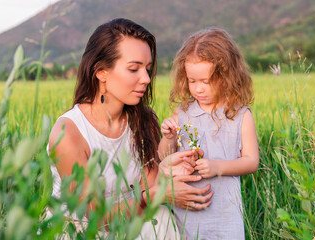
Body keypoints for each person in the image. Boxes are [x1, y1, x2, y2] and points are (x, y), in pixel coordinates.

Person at [47, 18, 213, 238]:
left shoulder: (144, 119)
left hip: (129, 222)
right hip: (79, 229)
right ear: (101, 72)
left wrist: (167, 170)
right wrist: (158, 194)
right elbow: (97, 217)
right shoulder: (69, 132)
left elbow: (149, 186)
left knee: (161, 216)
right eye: (134, 69)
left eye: (148, 69)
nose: (145, 79)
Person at [158, 28, 259, 239]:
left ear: (228, 76)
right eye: (192, 81)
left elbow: (251, 162)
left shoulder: (240, 115)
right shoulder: (183, 112)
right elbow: (163, 157)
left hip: (225, 212)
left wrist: (217, 167)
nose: (198, 89)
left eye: (206, 81)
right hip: (188, 209)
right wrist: (169, 137)